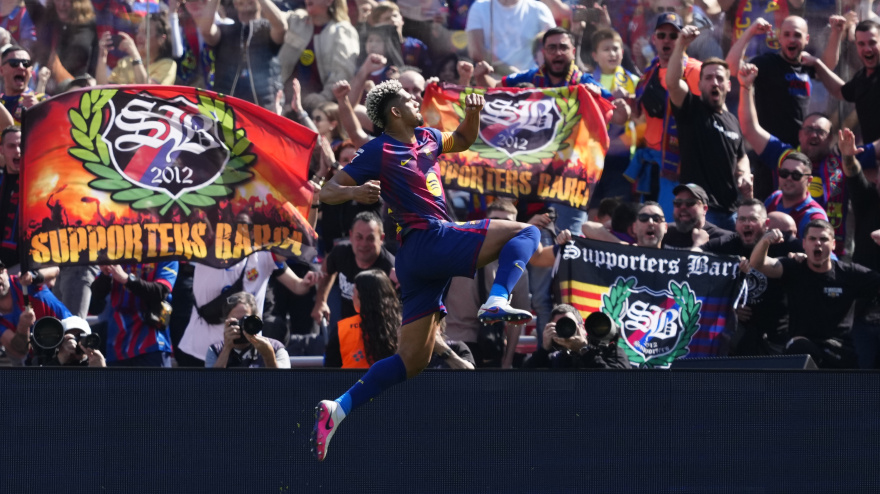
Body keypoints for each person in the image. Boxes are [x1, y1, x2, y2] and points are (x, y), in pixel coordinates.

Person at [311, 79, 539, 461]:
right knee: (527, 231)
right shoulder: (380, 149)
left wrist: (474, 111)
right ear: (395, 111)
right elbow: (327, 190)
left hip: (417, 261)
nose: (417, 100)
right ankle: (498, 298)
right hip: (428, 239)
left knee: (413, 361)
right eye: (408, 98)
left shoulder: (428, 136)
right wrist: (354, 192)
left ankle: (339, 408)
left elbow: (464, 139)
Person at [738, 62, 880, 252]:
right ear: (800, 134)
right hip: (781, 248)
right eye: (809, 129)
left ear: (831, 138)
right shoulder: (784, 156)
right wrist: (746, 87)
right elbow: (749, 128)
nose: (814, 135)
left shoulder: (844, 158)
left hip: (828, 252)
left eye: (820, 131)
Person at [750, 219, 880, 368]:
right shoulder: (795, 268)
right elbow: (757, 264)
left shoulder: (849, 273)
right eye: (812, 239)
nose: (818, 243)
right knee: (797, 346)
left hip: (839, 352)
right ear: (804, 244)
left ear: (833, 244)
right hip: (802, 351)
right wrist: (765, 241)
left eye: (823, 239)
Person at [667, 26, 749, 231]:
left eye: (720, 78)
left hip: (730, 211)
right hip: (701, 211)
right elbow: (673, 83)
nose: (715, 82)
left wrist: (745, 174)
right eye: (708, 78)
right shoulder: (691, 108)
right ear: (700, 84)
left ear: (728, 86)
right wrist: (681, 45)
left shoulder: (732, 120)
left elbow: (741, 155)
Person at [177, 251, 318, 367]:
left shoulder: (264, 253)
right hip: (199, 350)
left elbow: (296, 244)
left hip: (248, 353)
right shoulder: (206, 244)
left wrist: (304, 283)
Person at [626, 13, 702, 221]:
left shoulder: (695, 70)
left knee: (670, 224)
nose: (667, 40)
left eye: (673, 35)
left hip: (678, 164)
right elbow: (639, 116)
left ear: (682, 39)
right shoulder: (649, 73)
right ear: (654, 39)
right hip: (651, 163)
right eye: (662, 35)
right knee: (648, 224)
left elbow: (703, 115)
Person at [703, 199, 802, 355]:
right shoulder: (726, 245)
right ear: (735, 224)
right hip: (735, 333)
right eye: (742, 219)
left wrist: (802, 258)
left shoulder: (784, 243)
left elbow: (821, 260)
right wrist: (730, 307)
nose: (747, 224)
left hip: (776, 336)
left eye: (753, 219)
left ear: (767, 223)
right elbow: (694, 265)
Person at [443, 199, 529, 368]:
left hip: (490, 347)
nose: (503, 227)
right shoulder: (459, 253)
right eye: (497, 221)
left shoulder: (518, 269)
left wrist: (508, 360)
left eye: (508, 223)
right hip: (452, 342)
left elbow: (516, 322)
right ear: (487, 223)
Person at [839, 128, 880, 368]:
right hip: (864, 316)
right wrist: (847, 157)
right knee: (861, 383)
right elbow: (854, 175)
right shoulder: (868, 201)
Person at [198, 0, 287, 110]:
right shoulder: (226, 30)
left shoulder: (268, 29)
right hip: (227, 110)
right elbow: (206, 31)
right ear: (235, 3)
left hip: (265, 109)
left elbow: (282, 27)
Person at [311, 210, 395, 323]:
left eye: (370, 238)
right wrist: (321, 301)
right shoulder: (341, 252)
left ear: (381, 239)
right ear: (350, 236)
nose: (364, 244)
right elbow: (327, 268)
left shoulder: (390, 267)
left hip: (377, 328)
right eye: (359, 237)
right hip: (346, 324)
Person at [90, 261, 178, 367]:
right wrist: (105, 274)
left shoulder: (166, 254)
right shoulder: (117, 253)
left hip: (152, 344)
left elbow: (161, 291)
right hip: (117, 346)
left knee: (155, 384)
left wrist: (126, 279)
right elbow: (96, 300)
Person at [279, 0, 359, 110]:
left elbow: (342, 71)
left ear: (329, 1)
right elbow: (272, 18)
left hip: (319, 108)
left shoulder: (342, 30)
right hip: (284, 102)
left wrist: (324, 97)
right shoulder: (296, 20)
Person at [810, 20, 880, 143]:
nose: (867, 49)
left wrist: (870, 151)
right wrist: (817, 64)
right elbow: (840, 91)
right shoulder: (862, 76)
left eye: (872, 43)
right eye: (861, 44)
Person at [326, 269, 398, 368]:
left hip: (351, 383)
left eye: (354, 292)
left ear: (363, 297)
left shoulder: (342, 328)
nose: (352, 297)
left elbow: (329, 369)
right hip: (391, 383)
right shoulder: (401, 326)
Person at [0, 262, 71, 363]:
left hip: (69, 338)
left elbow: (54, 269)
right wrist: (23, 327)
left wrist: (34, 277)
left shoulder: (21, 282)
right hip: (41, 360)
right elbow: (20, 351)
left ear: (6, 272)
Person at [523, 303, 631, 368]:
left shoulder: (608, 351)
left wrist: (584, 350)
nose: (566, 329)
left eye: (570, 324)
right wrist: (544, 349)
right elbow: (522, 381)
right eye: (560, 326)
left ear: (582, 327)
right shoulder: (553, 358)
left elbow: (618, 382)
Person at [465, 0, 555, 73]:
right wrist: (510, 73)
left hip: (532, 82)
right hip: (494, 81)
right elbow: (476, 52)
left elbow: (555, 43)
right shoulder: (479, 7)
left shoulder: (539, 9)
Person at [205, 291, 290, 368]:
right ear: (226, 322)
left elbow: (282, 383)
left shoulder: (275, 348)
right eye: (236, 321)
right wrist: (226, 349)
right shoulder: (215, 350)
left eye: (246, 320)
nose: (241, 326)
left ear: (256, 320)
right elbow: (211, 383)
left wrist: (268, 356)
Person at [96, 13, 177, 85]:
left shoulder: (168, 65)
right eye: (138, 31)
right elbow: (103, 89)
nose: (139, 37)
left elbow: (148, 91)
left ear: (161, 39)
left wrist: (135, 55)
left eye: (146, 33)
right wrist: (102, 56)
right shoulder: (125, 62)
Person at [763, 152, 829, 237]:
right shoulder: (774, 198)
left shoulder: (814, 216)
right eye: (784, 173)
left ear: (809, 180)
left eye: (796, 175)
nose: (789, 178)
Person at [662, 183, 734, 249]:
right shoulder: (664, 233)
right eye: (678, 203)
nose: (683, 207)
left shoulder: (722, 238)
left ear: (704, 209)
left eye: (690, 203)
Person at [0, 46, 42, 125]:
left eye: (26, 63)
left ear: (31, 71)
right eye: (14, 63)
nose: (21, 67)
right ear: (1, 70)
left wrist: (39, 111)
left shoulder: (44, 100)